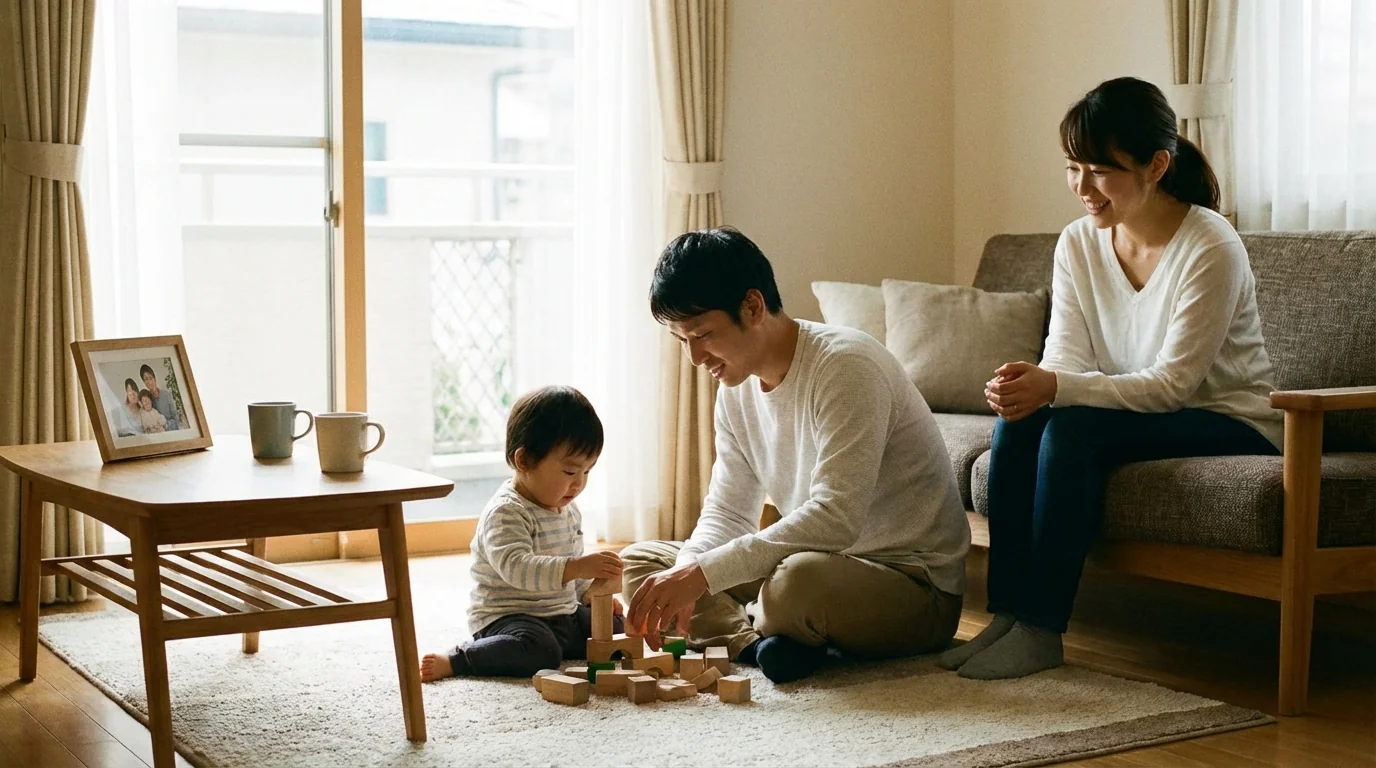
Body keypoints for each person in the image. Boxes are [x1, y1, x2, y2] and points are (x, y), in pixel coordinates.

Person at [938, 77, 1283, 680]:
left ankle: (1043, 631)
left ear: (1157, 164)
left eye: (1101, 170)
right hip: (1142, 414)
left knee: (1071, 434)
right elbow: (1066, 357)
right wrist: (1031, 386)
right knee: (1020, 422)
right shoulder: (1078, 242)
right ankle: (1009, 618)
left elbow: (1173, 385)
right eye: (1074, 167)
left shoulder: (1210, 245)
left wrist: (1057, 388)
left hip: (1229, 420)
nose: (1083, 187)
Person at [623, 228, 970, 684]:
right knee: (642, 564)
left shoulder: (846, 366)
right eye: (681, 340)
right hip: (815, 562)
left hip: (911, 584)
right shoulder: (735, 390)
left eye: (702, 334)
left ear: (752, 307)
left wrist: (703, 577)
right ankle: (760, 644)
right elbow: (729, 512)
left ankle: (764, 623)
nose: (694, 357)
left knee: (794, 584)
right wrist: (690, 570)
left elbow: (835, 519)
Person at [419, 385, 626, 681]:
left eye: (587, 472)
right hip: (510, 618)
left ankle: (580, 629)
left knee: (613, 628)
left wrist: (590, 595)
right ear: (524, 461)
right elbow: (518, 568)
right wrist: (577, 567)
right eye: (570, 472)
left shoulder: (568, 508)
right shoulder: (506, 512)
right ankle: (458, 659)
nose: (579, 483)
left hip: (560, 613)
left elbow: (573, 568)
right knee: (541, 652)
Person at [140, 363, 182, 431]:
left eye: (150, 378)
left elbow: (176, 416)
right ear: (144, 382)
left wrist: (167, 426)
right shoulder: (146, 399)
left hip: (171, 429)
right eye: (146, 379)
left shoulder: (167, 395)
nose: (149, 381)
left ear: (154, 378)